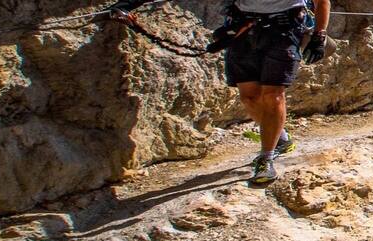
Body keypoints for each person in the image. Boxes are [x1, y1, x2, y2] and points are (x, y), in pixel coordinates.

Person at [108, 0, 332, 185]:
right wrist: (129, 4)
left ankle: (266, 158)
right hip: (244, 29)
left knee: (273, 94)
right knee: (249, 96)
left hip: (285, 31)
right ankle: (279, 138)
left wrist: (319, 36)